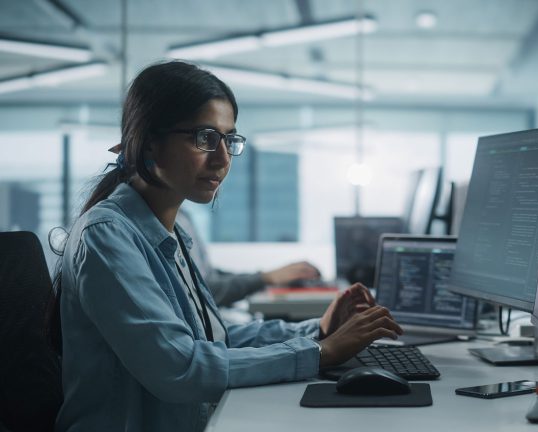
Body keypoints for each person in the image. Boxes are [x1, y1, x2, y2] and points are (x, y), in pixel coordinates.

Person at [52, 60, 402, 432]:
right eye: (204, 138)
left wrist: (317, 330)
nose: (222, 159)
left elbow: (213, 339)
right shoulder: (107, 236)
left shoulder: (169, 234)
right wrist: (321, 353)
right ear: (149, 141)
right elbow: (181, 368)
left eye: (229, 139)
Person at [175, 209, 320, 307]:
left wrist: (268, 278)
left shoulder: (183, 215)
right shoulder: (172, 220)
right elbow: (201, 291)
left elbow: (207, 275)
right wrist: (264, 279)